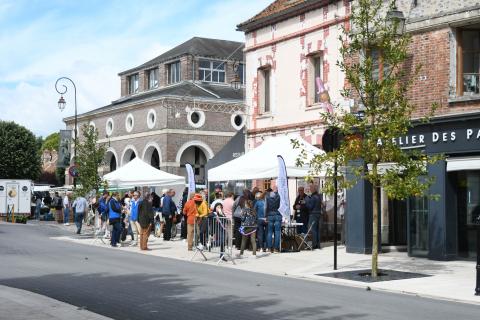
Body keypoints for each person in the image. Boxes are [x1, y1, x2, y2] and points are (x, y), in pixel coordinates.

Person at [306, 184, 323, 250]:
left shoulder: (313, 197)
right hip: (318, 214)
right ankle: (318, 245)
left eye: (310, 188)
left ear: (313, 189)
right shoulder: (318, 196)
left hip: (313, 214)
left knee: (314, 230)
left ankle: (314, 245)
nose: (309, 189)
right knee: (318, 230)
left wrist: (306, 202)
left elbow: (310, 207)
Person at [266, 186, 281, 253]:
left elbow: (266, 207)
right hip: (277, 215)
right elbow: (280, 205)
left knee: (269, 232)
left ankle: (269, 248)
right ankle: (276, 249)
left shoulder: (268, 197)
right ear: (277, 190)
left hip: (270, 215)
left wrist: (265, 215)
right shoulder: (279, 196)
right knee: (277, 232)